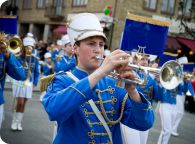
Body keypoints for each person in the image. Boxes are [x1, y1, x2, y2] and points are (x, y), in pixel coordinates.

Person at [42, 13, 154, 144]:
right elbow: (54, 111)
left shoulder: (113, 83)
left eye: (101, 45)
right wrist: (100, 72)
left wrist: (133, 91)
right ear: (76, 49)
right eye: (91, 44)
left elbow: (144, 124)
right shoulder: (62, 80)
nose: (98, 50)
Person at [121, 53, 159, 144]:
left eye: (146, 60)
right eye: (142, 59)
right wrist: (151, 78)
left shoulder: (150, 77)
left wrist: (159, 82)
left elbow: (157, 96)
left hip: (145, 114)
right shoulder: (130, 73)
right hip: (130, 113)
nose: (145, 62)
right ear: (135, 60)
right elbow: (136, 89)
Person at [11, 35, 40, 131]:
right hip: (19, 82)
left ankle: (19, 122)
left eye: (31, 47)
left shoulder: (35, 58)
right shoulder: (18, 57)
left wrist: (35, 83)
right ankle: (14, 121)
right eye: (27, 47)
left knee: (24, 104)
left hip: (29, 83)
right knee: (20, 102)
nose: (29, 49)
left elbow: (36, 71)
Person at [0, 33, 27, 129]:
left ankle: (17, 123)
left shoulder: (3, 55)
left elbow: (20, 75)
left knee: (23, 103)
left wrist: (8, 56)